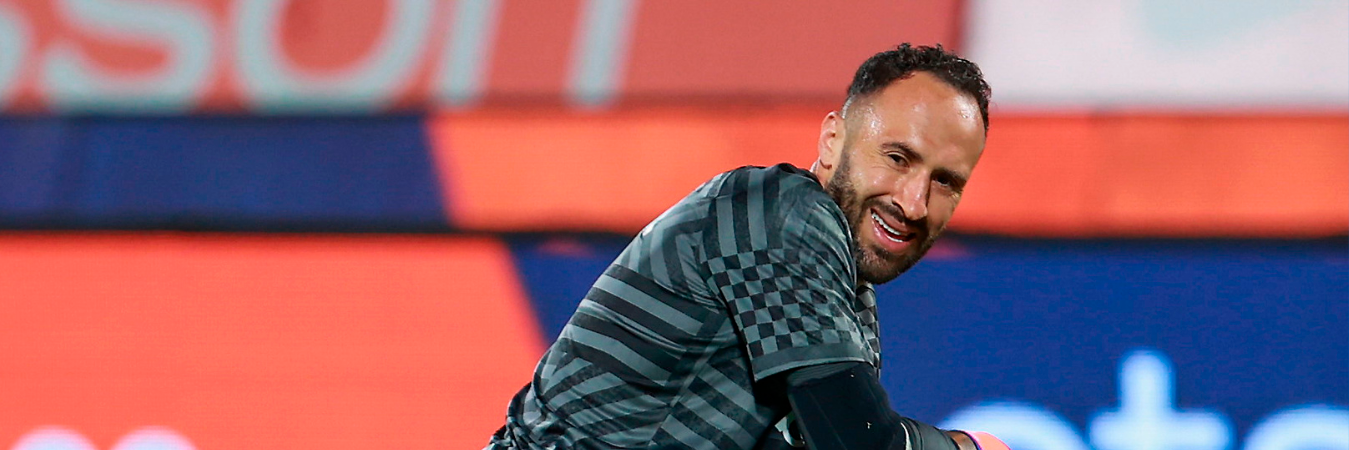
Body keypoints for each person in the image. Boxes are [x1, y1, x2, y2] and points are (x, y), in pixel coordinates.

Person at [486, 44, 1008, 450]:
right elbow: (861, 441)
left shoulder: (848, 297)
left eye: (945, 182)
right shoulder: (783, 213)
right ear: (832, 141)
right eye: (897, 158)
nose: (914, 203)